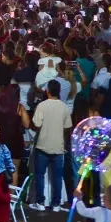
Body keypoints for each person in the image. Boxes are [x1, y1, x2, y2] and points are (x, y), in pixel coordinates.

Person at [31, 79, 73, 211]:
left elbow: (36, 125)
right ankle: (56, 204)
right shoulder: (64, 107)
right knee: (57, 177)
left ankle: (40, 202)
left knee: (39, 175)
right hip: (58, 146)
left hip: (42, 145)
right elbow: (68, 127)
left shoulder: (42, 106)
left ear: (47, 91)